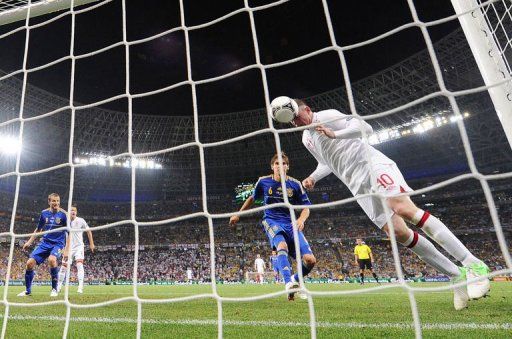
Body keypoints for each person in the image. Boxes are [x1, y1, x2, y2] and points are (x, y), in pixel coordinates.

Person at [284, 97, 489, 310]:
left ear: (307, 109)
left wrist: (336, 133)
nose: (296, 123)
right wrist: (313, 178)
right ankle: (456, 276)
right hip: (356, 185)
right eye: (292, 122)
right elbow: (327, 162)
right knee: (398, 232)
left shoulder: (327, 116)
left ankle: (474, 265)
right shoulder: (306, 139)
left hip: (371, 166)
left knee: (403, 208)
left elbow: (365, 127)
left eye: (297, 117)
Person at [229, 153, 316, 300]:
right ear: (272, 166)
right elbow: (252, 198)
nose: (279, 166)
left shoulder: (295, 184)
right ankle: (288, 283)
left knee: (310, 260)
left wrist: (301, 219)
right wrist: (238, 214)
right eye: (277, 164)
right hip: (271, 221)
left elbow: (306, 207)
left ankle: (295, 280)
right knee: (282, 246)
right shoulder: (263, 182)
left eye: (283, 164)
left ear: (287, 167)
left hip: (291, 224)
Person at [18, 193, 69, 297]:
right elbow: (39, 229)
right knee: (29, 263)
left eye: (58, 201)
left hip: (58, 243)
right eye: (54, 201)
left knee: (52, 260)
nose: (56, 203)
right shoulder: (44, 213)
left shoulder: (64, 215)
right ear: (49, 201)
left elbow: (69, 232)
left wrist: (67, 250)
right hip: (45, 242)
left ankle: (54, 289)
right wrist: (29, 242)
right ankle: (28, 291)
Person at [57, 206, 95, 294]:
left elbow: (89, 231)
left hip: (79, 247)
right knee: (63, 267)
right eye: (71, 210)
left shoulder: (81, 220)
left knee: (79, 265)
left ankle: (80, 286)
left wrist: (91, 243)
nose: (73, 212)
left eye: (74, 210)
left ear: (76, 212)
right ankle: (58, 286)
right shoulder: (66, 221)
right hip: (68, 248)